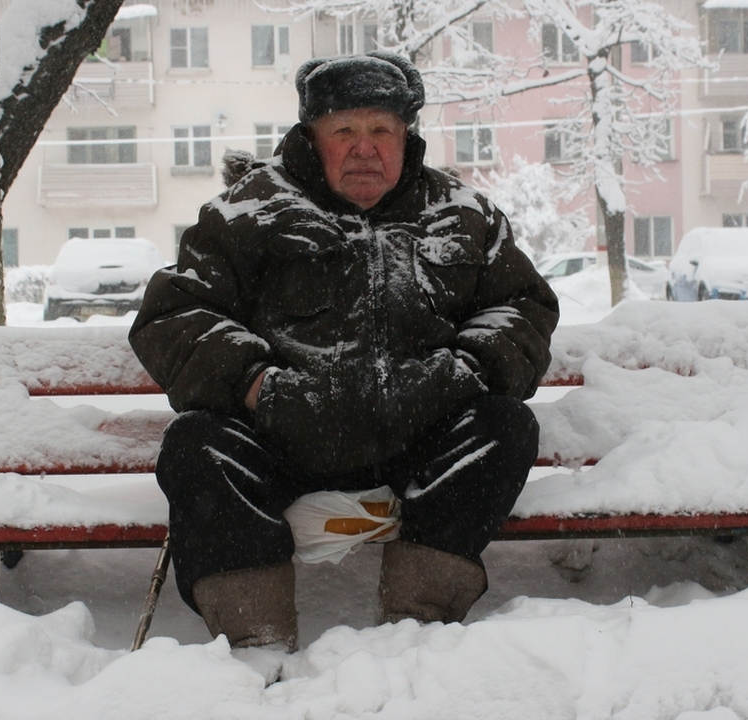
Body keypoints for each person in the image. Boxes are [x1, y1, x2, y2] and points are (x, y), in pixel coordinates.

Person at [129, 51, 559, 652]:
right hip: (283, 434)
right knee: (197, 446)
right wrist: (257, 383)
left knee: (503, 427)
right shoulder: (249, 210)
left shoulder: (464, 213)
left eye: (381, 130)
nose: (365, 148)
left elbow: (522, 308)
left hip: (422, 433)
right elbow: (174, 314)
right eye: (344, 131)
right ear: (312, 136)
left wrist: (465, 370)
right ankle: (255, 645)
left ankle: (416, 629)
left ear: (407, 137)